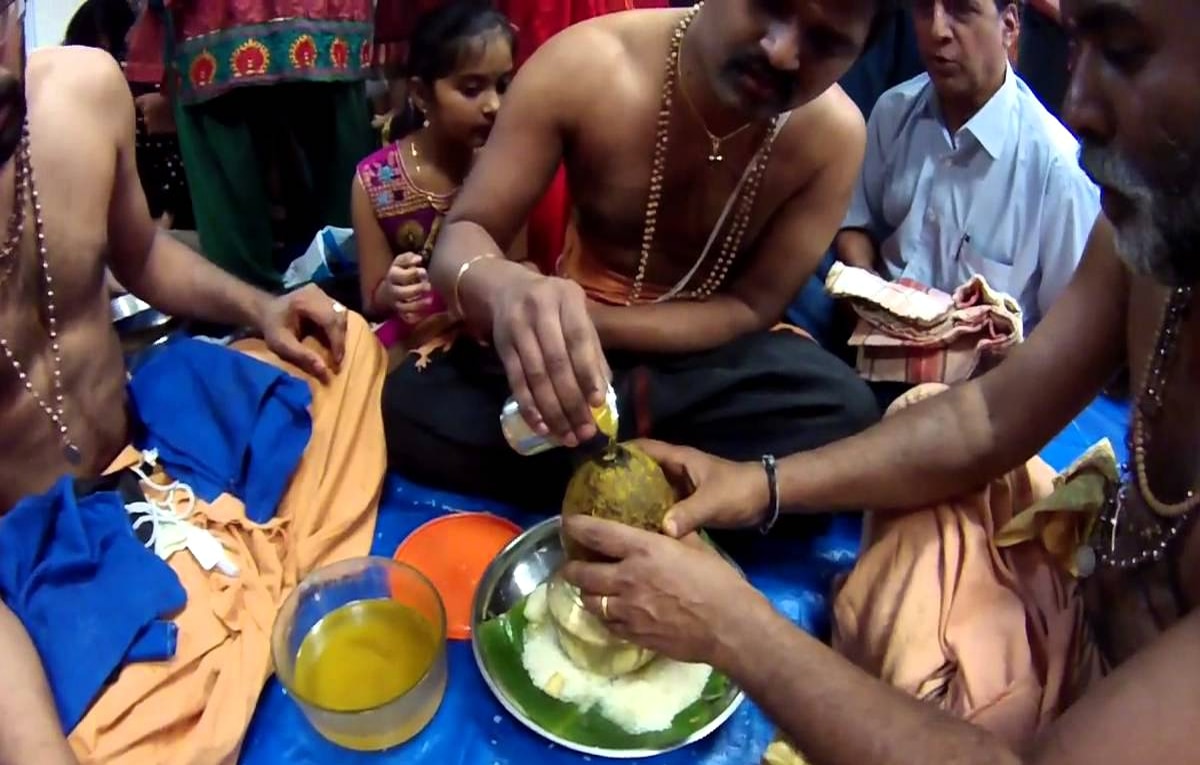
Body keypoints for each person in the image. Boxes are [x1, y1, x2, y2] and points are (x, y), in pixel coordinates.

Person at [558, 0, 1200, 761]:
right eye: (1081, 45)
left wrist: (736, 627)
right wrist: (760, 483)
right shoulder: (1148, 231)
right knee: (926, 412)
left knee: (927, 693)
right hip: (1083, 590)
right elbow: (987, 420)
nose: (1077, 102)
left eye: (1122, 50)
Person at [0, 2, 379, 760]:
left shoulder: (81, 89)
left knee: (344, 345)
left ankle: (239, 595)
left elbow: (139, 252)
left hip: (154, 453)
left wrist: (263, 307)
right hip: (47, 555)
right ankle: (241, 600)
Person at [383, 0, 894, 508]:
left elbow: (749, 309)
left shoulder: (835, 138)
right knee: (410, 405)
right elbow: (463, 234)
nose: (782, 53)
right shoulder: (587, 63)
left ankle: (588, 450)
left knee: (845, 412)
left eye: (825, 44)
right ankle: (676, 475)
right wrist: (509, 292)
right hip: (576, 348)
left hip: (707, 360)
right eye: (765, 6)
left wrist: (586, 324)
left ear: (857, 55)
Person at [835, 0, 1099, 333]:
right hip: (870, 338)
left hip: (982, 377)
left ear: (1009, 26)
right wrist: (867, 289)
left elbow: (1071, 333)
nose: (936, 31)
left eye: (961, 10)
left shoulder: (1058, 170)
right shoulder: (892, 111)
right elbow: (856, 222)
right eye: (923, 9)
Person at [124, 0, 377, 291]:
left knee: (237, 239)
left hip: (217, 25)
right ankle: (353, 297)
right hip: (321, 18)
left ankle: (256, 312)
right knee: (343, 199)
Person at [354, 1, 520, 333]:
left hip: (488, 330)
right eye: (471, 89)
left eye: (503, 85)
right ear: (419, 93)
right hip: (413, 339)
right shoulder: (373, 181)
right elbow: (371, 300)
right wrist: (394, 291)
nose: (494, 105)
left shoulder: (508, 165)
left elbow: (521, 263)